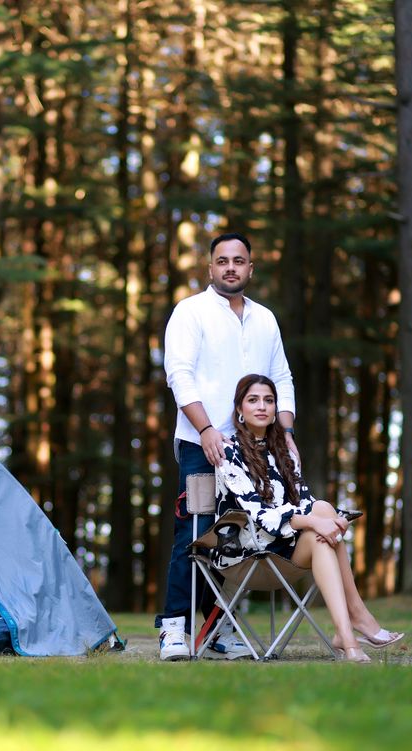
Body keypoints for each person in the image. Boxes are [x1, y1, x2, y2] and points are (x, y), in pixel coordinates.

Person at [158, 232, 298, 660]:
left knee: (238, 538)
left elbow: (283, 379)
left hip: (255, 448)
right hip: (203, 444)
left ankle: (216, 630)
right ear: (210, 268)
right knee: (196, 534)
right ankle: (174, 630)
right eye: (223, 261)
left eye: (239, 261)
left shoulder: (266, 319)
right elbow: (179, 374)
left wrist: (286, 435)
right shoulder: (190, 312)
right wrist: (205, 428)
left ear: (250, 269)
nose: (231, 268)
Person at [213, 374, 404, 662]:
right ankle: (354, 623)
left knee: (324, 511)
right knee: (320, 524)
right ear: (239, 409)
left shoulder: (283, 451)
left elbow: (305, 501)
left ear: (277, 408)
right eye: (253, 400)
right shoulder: (229, 452)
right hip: (249, 553)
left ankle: (347, 633)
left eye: (269, 400)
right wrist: (316, 521)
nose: (262, 406)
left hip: (287, 548)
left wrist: (332, 518)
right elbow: (261, 516)